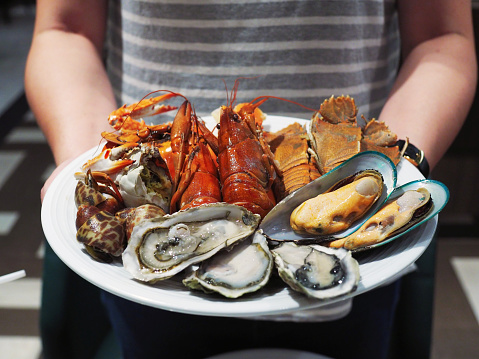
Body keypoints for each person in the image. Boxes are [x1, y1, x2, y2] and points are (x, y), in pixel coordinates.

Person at [25, 1, 476, 358]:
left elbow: (442, 36)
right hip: (154, 276)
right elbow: (66, 30)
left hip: (357, 265)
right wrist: (87, 164)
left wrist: (398, 168)